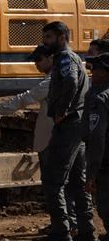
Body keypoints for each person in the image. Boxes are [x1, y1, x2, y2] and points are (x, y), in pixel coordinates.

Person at [41, 21, 94, 241]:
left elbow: (71, 81)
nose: (45, 41)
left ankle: (61, 232)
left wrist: (62, 110)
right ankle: (86, 231)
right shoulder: (71, 58)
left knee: (53, 181)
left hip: (68, 125)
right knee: (77, 182)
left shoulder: (64, 58)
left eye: (49, 37)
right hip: (76, 125)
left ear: (62, 37)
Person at [81, 55, 109, 235]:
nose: (91, 72)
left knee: (105, 208)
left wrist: (91, 173)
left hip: (105, 164)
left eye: (95, 69)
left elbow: (97, 137)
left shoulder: (98, 98)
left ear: (104, 72)